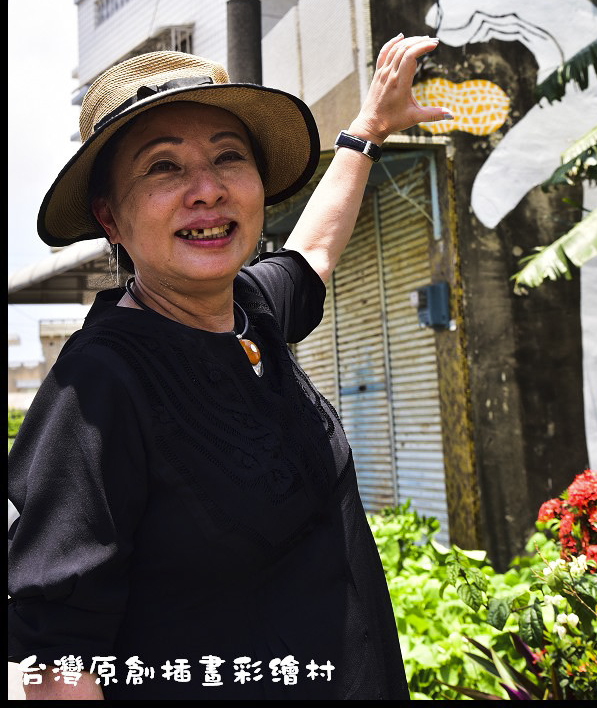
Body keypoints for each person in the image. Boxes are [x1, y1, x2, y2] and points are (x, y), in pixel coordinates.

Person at [8, 37, 451, 701]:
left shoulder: (248, 310)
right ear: (110, 216)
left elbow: (314, 253)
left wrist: (368, 131)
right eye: (164, 168)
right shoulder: (100, 386)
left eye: (228, 157)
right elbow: (55, 664)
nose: (207, 190)